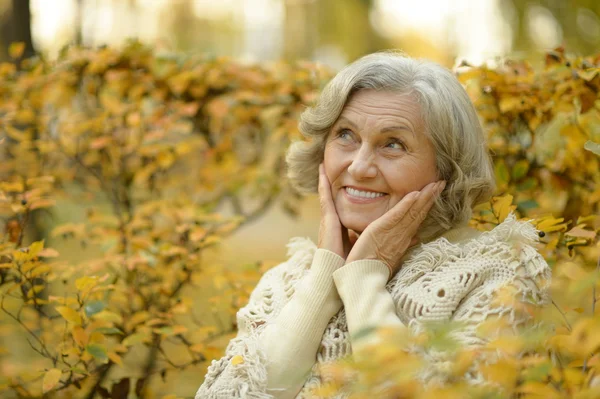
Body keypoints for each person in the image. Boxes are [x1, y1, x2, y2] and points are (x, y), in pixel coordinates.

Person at [195, 52, 551, 399]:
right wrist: (323, 280)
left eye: (392, 144)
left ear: (446, 168)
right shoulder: (287, 279)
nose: (360, 166)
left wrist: (364, 280)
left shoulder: (500, 275)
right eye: (346, 135)